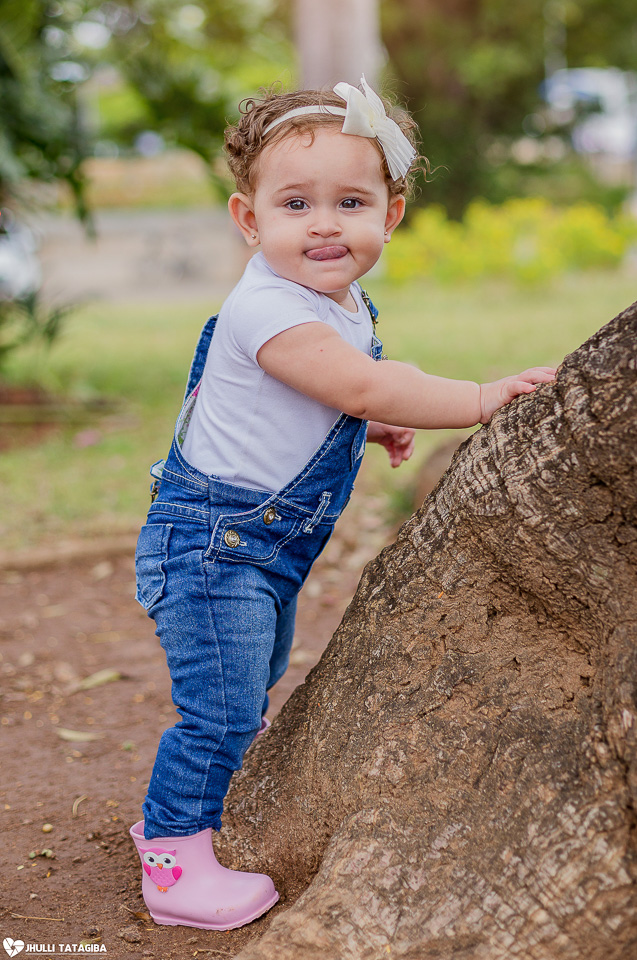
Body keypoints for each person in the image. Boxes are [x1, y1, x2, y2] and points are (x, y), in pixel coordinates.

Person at [129, 77, 555, 931]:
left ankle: (197, 810)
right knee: (221, 713)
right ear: (249, 220)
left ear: (389, 216)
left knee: (250, 687)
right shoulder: (266, 306)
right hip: (212, 547)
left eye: (349, 202)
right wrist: (475, 398)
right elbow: (358, 383)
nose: (324, 224)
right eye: (295, 204)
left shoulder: (334, 301)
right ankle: (172, 856)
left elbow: (319, 397)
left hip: (257, 547)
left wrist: (368, 426)